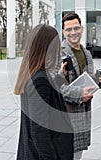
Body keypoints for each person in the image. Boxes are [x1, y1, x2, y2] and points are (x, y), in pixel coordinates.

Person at [14, 24, 73, 160]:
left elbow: (46, 100)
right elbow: (39, 132)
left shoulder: (34, 73)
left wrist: (58, 79)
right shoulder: (39, 80)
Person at [60, 13, 101, 160]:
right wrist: (79, 94)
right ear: (63, 31)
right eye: (69, 29)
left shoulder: (86, 53)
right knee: (66, 153)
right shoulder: (58, 53)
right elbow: (56, 86)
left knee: (77, 153)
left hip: (83, 112)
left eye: (76, 28)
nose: (73, 32)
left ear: (82, 29)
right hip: (65, 113)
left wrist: (97, 81)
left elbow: (86, 80)